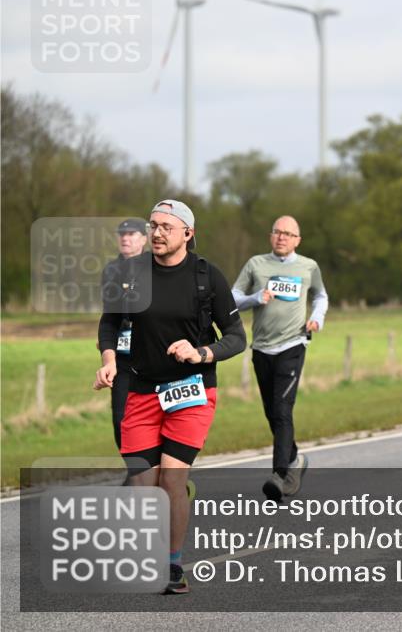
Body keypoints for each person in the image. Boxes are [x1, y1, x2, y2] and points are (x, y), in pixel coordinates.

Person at [95, 199, 246, 594]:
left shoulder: (206, 277)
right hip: (141, 388)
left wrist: (201, 353)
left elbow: (236, 338)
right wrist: (109, 361)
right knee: (143, 482)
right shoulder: (130, 274)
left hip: (190, 390)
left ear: (188, 234)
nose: (157, 233)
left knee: (172, 479)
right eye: (153, 225)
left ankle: (173, 564)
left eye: (166, 226)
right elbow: (109, 324)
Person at [232, 216, 329, 501]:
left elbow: (321, 296)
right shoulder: (255, 264)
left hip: (293, 345)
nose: (282, 237)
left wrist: (316, 319)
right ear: (270, 236)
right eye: (277, 232)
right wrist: (254, 299)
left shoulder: (308, 266)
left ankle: (281, 475)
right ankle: (296, 458)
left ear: (297, 240)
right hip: (262, 348)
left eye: (288, 233)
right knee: (272, 412)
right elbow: (232, 297)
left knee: (282, 409)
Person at [97, 217, 148, 452]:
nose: (125, 238)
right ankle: (136, 471)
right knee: (120, 418)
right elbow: (110, 312)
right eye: (122, 234)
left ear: (145, 239)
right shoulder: (111, 270)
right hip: (122, 352)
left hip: (152, 351)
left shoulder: (155, 266)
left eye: (132, 234)